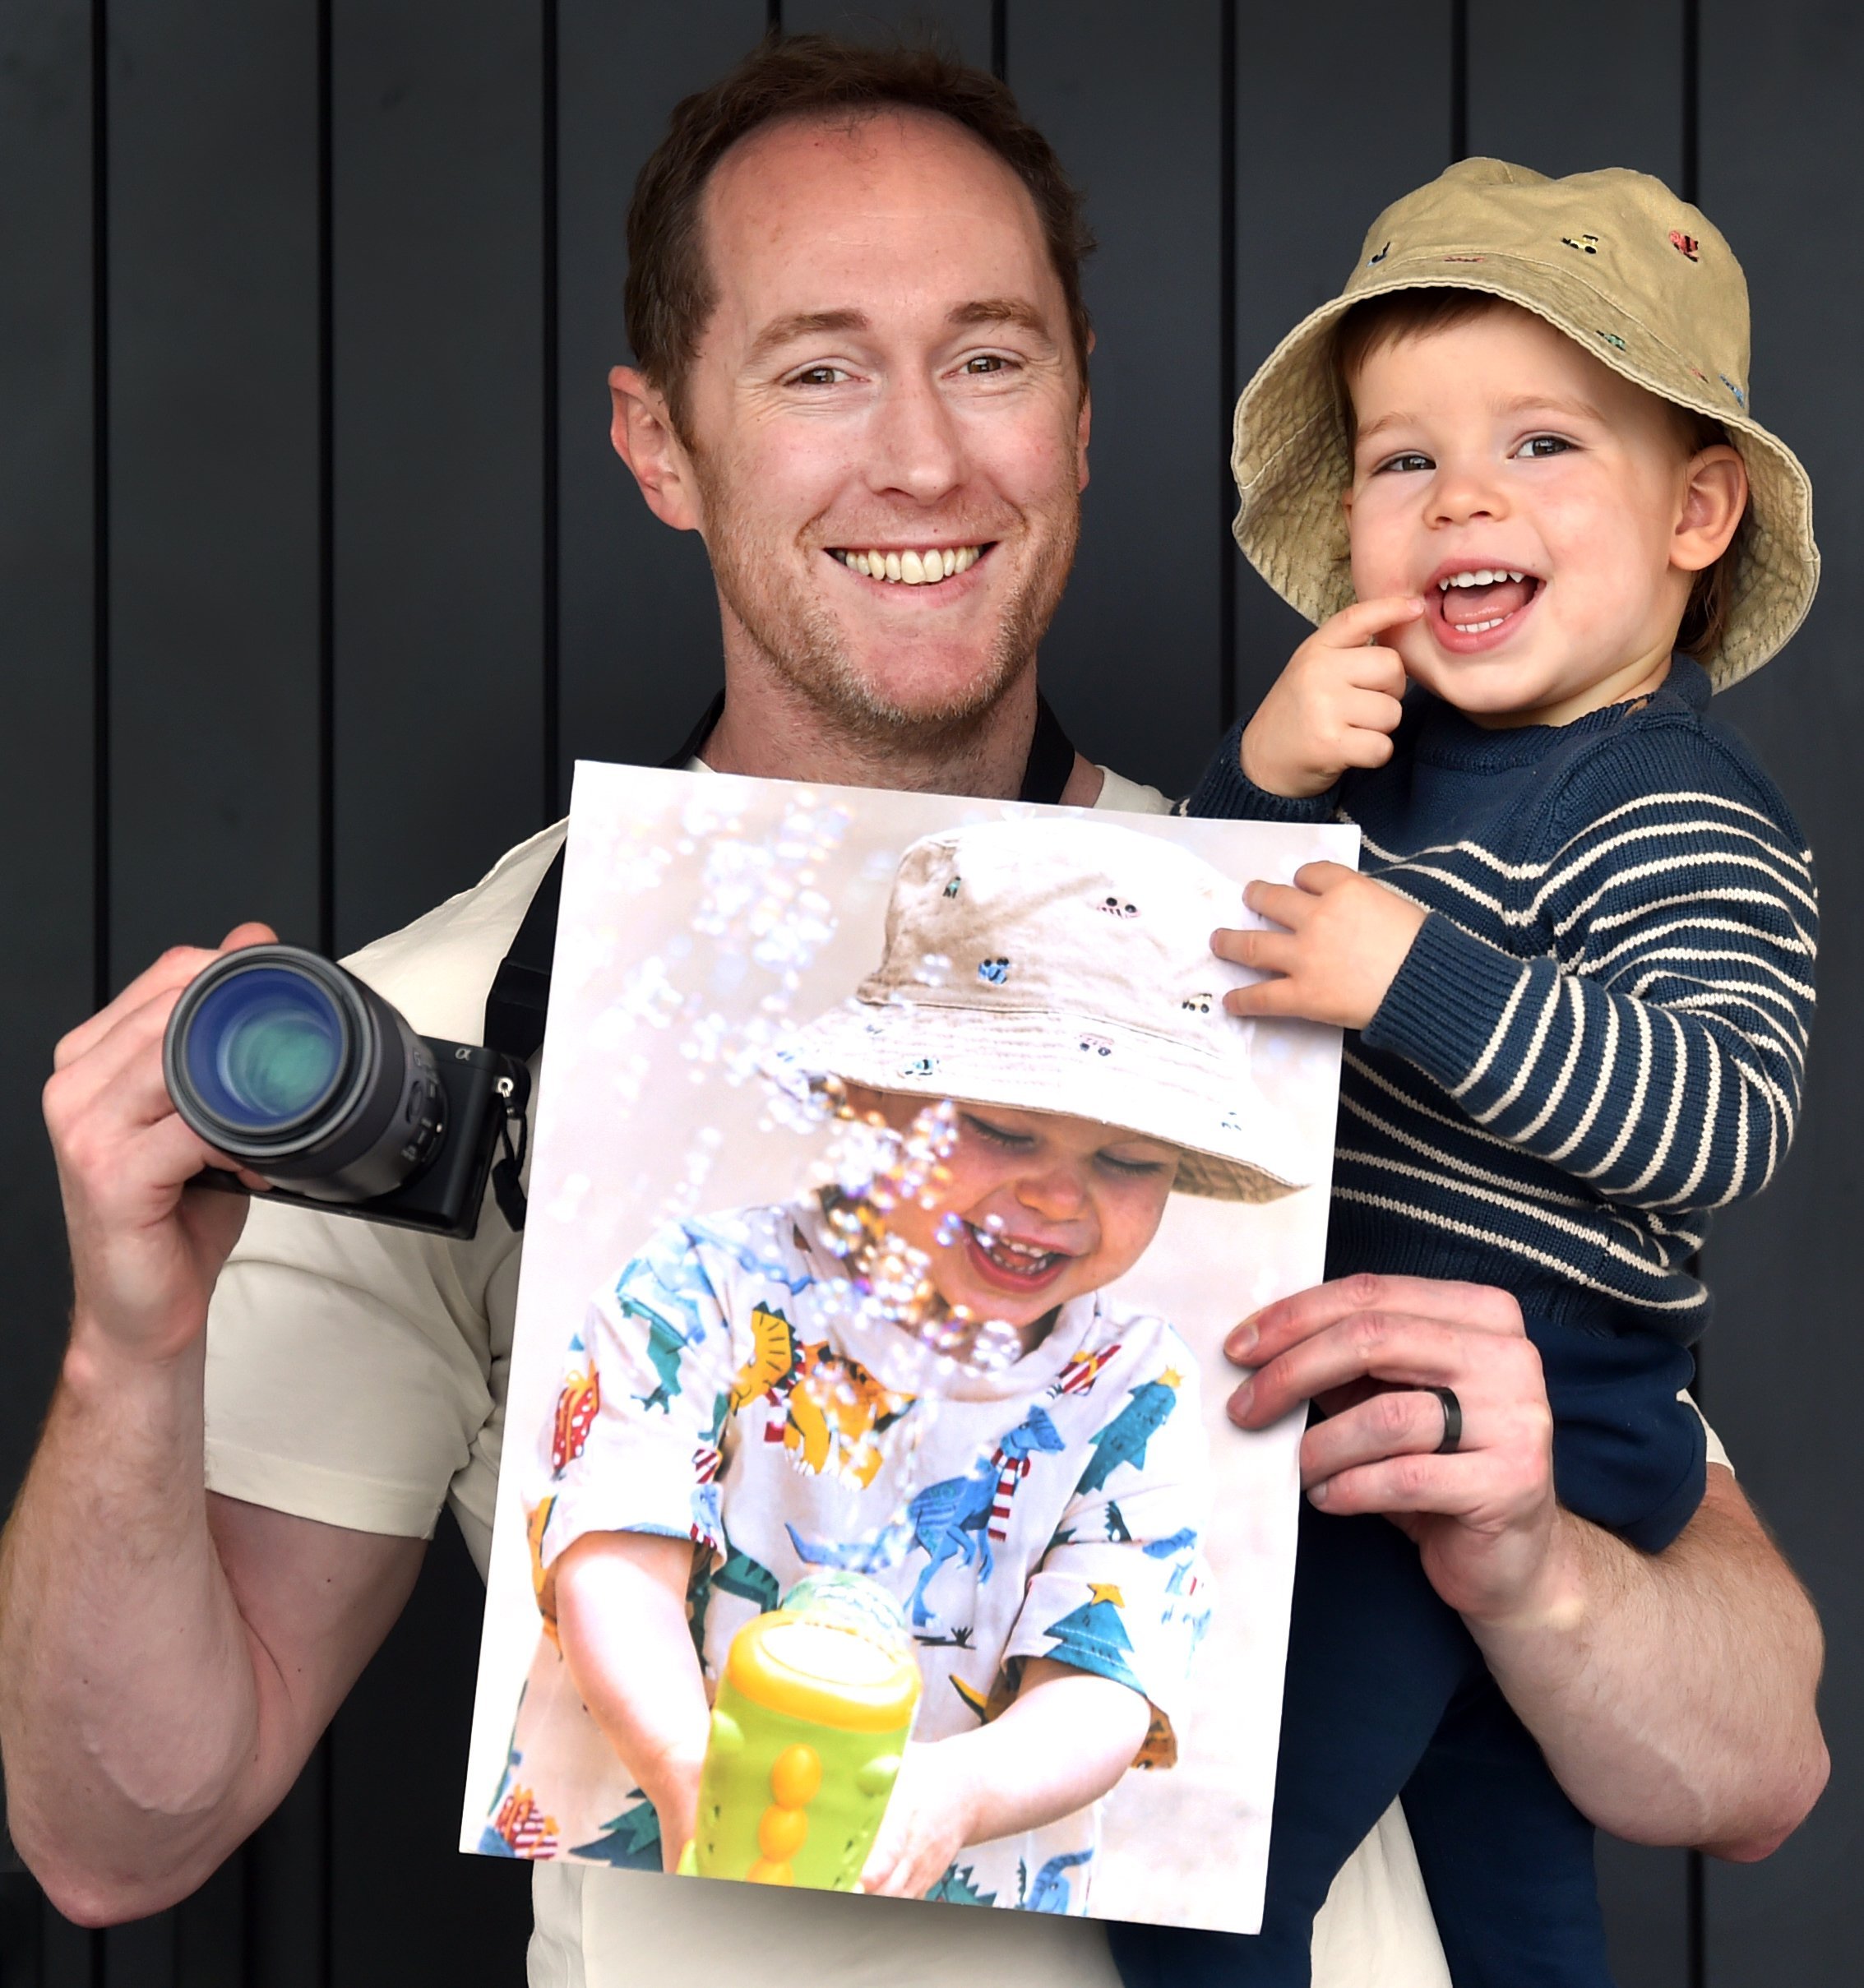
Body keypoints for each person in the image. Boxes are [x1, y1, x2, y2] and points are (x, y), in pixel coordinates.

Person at [1, 37, 1825, 1988]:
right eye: (817, 369)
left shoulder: (1315, 939)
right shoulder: (436, 1042)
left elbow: (1757, 1767)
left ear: (1082, 416)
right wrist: (128, 1348)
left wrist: (1535, 1570)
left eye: (988, 357)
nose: (924, 460)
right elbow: (118, 1840)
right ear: (658, 443)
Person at [1157, 158, 1818, 1985]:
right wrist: (1257, 786)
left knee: (1202, 1869)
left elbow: (1718, 1118)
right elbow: (1184, 1005)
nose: (1462, 495)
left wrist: (1413, 975)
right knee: (1511, 1911)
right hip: (1372, 1399)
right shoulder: (1366, 766)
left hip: (1515, 1420)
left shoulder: (1675, 804)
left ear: (1697, 510)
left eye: (1542, 443)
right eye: (1403, 459)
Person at [488, 816, 1306, 1912]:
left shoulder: (1130, 1388)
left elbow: (1104, 1682)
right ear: (872, 1100)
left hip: (955, 1901)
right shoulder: (706, 1290)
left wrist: (956, 1794)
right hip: (656, 1854)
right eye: (1004, 1129)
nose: (1057, 1194)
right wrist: (686, 1765)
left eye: (1126, 1159)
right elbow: (614, 1558)